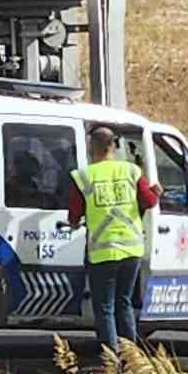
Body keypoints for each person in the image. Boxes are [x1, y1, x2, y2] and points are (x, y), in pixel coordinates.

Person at [69, 125, 161, 355]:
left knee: (105, 308)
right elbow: (149, 201)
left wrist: (74, 223)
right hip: (131, 251)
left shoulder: (84, 176)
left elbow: (73, 215)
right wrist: (157, 192)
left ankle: (112, 362)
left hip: (103, 253)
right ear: (114, 146)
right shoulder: (131, 171)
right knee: (124, 304)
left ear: (92, 148)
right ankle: (132, 360)